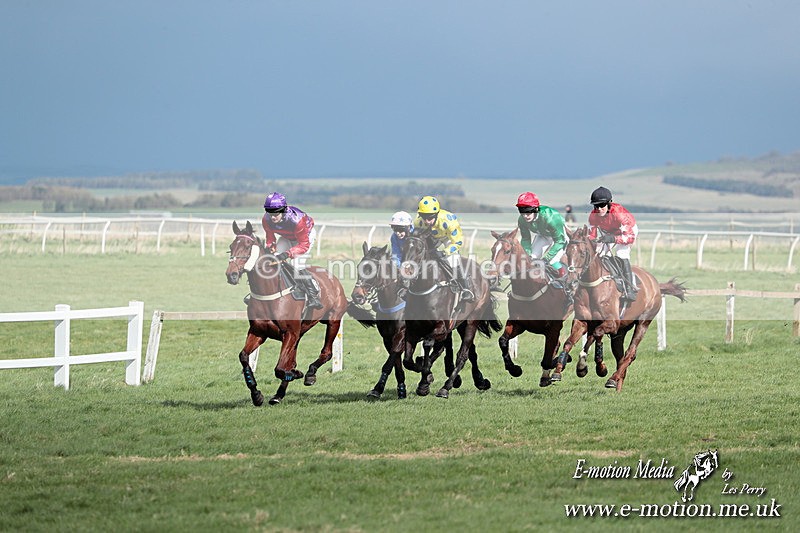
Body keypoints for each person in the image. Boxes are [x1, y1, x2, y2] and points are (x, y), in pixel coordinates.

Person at [261, 192, 322, 309]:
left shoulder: (297, 220)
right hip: (287, 236)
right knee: (275, 259)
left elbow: (304, 245)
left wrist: (287, 254)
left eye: (276, 213)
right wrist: (271, 248)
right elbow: (270, 238)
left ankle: (314, 295)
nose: (272, 217)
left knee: (297, 264)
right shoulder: (266, 219)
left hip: (305, 238)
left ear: (283, 210)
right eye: (270, 213)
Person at [413, 196, 474, 302]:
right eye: (424, 217)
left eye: (430, 217)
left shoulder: (449, 221)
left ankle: (465, 288)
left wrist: (444, 252)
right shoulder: (418, 222)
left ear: (436, 214)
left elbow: (458, 242)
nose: (427, 221)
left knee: (453, 259)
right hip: (431, 238)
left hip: (448, 238)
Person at [587, 186, 639, 301]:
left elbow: (629, 237)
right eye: (596, 206)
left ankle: (630, 289)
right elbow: (592, 236)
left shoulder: (619, 214)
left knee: (621, 253)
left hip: (627, 231)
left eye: (602, 205)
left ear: (609, 204)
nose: (599, 209)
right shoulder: (593, 215)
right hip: (609, 232)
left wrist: (613, 239)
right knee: (599, 253)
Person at [515, 192, 568, 283]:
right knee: (531, 259)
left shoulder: (550, 218)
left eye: (528, 211)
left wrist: (546, 259)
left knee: (552, 261)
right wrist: (527, 254)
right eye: (522, 211)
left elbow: (559, 241)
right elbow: (525, 239)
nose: (525, 215)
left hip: (560, 237)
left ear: (536, 209)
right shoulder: (522, 220)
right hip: (543, 235)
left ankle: (566, 283)